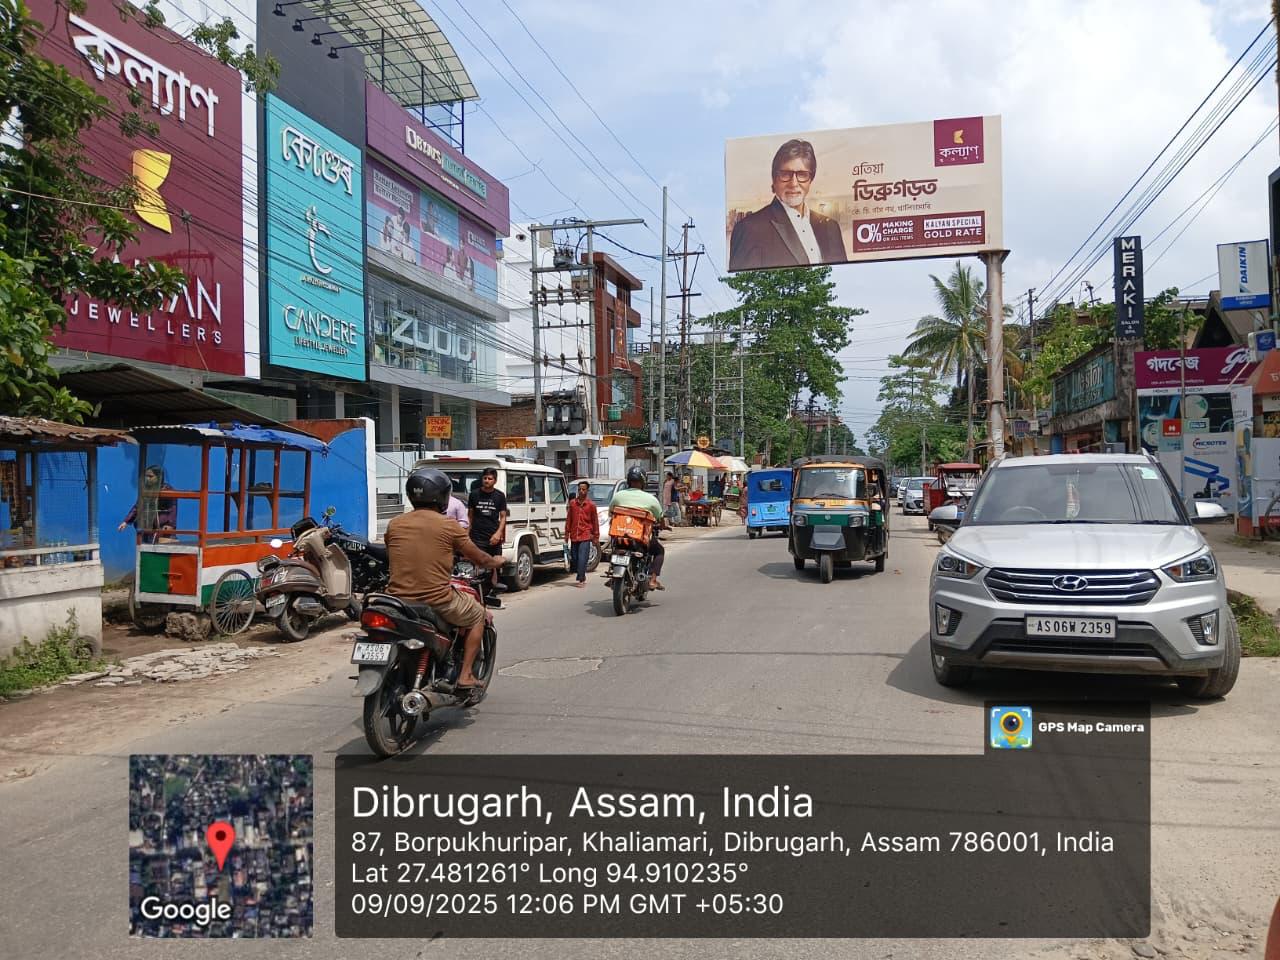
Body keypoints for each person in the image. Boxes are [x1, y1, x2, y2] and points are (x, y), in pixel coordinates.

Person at [384, 468, 503, 691]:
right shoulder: (449, 525)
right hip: (436, 600)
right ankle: (465, 675)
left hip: (396, 600)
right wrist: (497, 561)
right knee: (478, 614)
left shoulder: (395, 524)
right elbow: (480, 558)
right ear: (442, 496)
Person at [728, 139, 847, 271]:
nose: (794, 183)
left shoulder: (831, 227)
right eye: (785, 174)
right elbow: (744, 283)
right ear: (774, 179)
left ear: (810, 180)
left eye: (802, 174)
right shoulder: (749, 229)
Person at [609, 466, 668, 591]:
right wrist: (663, 525)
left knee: (614, 548)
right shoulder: (651, 499)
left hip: (619, 537)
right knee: (659, 551)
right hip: (640, 540)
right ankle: (652, 580)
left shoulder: (618, 496)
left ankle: (613, 574)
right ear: (643, 482)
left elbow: (611, 512)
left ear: (628, 481)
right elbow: (660, 517)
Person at [467, 467, 508, 590]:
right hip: (477, 536)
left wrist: (498, 533)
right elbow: (470, 516)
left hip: (493, 536)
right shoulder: (474, 494)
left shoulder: (500, 496)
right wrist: (467, 533)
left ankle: (493, 590)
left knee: (494, 563)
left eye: (490, 478)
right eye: (485, 478)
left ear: (495, 481)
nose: (487, 481)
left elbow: (503, 517)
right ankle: (478, 591)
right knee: (478, 564)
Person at [118, 465, 177, 542]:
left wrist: (170, 524)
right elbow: (137, 506)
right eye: (146, 476)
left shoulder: (168, 490)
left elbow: (173, 508)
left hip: (162, 526)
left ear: (158, 477)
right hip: (147, 526)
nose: (147, 479)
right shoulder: (146, 490)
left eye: (150, 476)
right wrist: (126, 521)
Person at [566, 480, 599, 588]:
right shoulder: (572, 504)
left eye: (583, 489)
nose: (581, 491)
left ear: (587, 491)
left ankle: (581, 578)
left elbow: (595, 522)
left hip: (585, 535)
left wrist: (595, 536)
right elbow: (569, 519)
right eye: (579, 489)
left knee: (582, 558)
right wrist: (566, 534)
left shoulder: (591, 505)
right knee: (575, 558)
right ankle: (579, 574)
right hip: (574, 535)